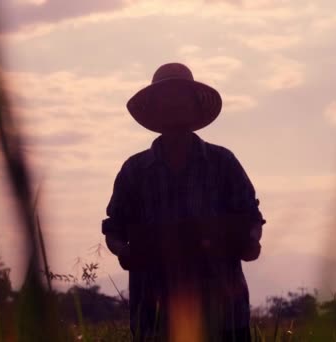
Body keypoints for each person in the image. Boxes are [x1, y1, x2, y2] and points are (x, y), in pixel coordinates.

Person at [102, 62, 265, 341]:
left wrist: (251, 241)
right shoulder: (135, 170)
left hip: (223, 314)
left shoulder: (222, 162)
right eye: (167, 100)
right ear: (155, 110)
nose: (175, 105)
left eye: (181, 99)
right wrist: (123, 251)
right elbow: (114, 229)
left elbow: (250, 216)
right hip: (156, 316)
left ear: (194, 107)